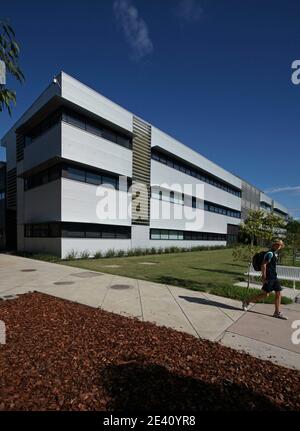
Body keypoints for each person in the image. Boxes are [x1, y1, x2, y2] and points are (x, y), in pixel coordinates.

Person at [242, 239, 288, 320]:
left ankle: (277, 312)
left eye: (280, 245)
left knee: (279, 293)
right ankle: (246, 301)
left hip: (274, 277)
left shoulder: (274, 254)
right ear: (273, 245)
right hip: (269, 277)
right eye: (277, 244)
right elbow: (263, 265)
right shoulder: (270, 253)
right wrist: (264, 277)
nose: (278, 246)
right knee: (265, 295)